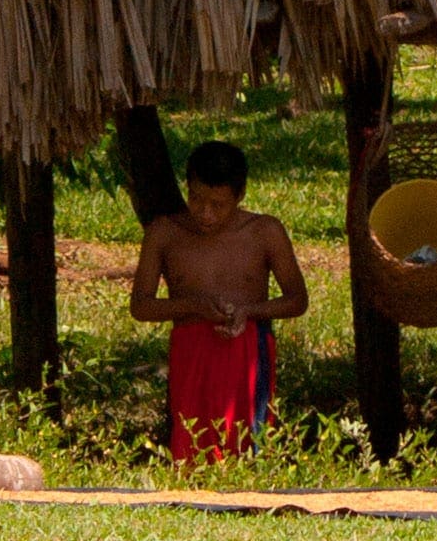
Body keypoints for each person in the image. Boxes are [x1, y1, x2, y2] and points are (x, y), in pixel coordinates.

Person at [128, 139, 308, 464]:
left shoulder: (264, 231)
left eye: (218, 204)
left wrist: (248, 311)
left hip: (248, 349)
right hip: (190, 353)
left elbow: (297, 300)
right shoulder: (165, 233)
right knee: (191, 449)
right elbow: (141, 306)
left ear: (240, 196)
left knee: (249, 448)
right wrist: (195, 307)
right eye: (196, 199)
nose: (205, 214)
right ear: (187, 186)